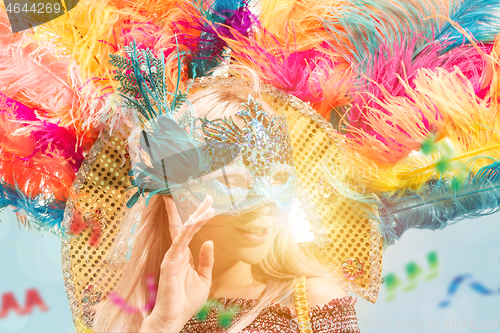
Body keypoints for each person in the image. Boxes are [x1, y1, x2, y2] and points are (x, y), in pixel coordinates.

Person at [92, 79, 361, 332]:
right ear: (175, 193)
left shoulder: (314, 306)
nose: (264, 205)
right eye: (232, 182)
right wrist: (161, 327)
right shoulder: (113, 319)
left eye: (278, 178)